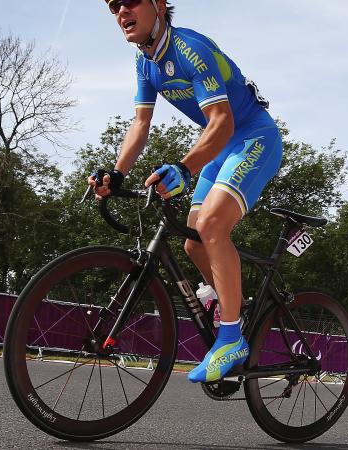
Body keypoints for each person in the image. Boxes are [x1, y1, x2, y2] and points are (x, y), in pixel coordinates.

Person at [89, 0, 282, 383]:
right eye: (113, 6)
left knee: (211, 225)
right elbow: (140, 123)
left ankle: (231, 337)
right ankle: (235, 306)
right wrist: (116, 172)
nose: (121, 11)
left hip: (252, 137)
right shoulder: (146, 63)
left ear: (159, 4)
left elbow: (223, 121)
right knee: (193, 242)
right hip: (221, 145)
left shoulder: (189, 48)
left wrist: (184, 167)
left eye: (131, 1)